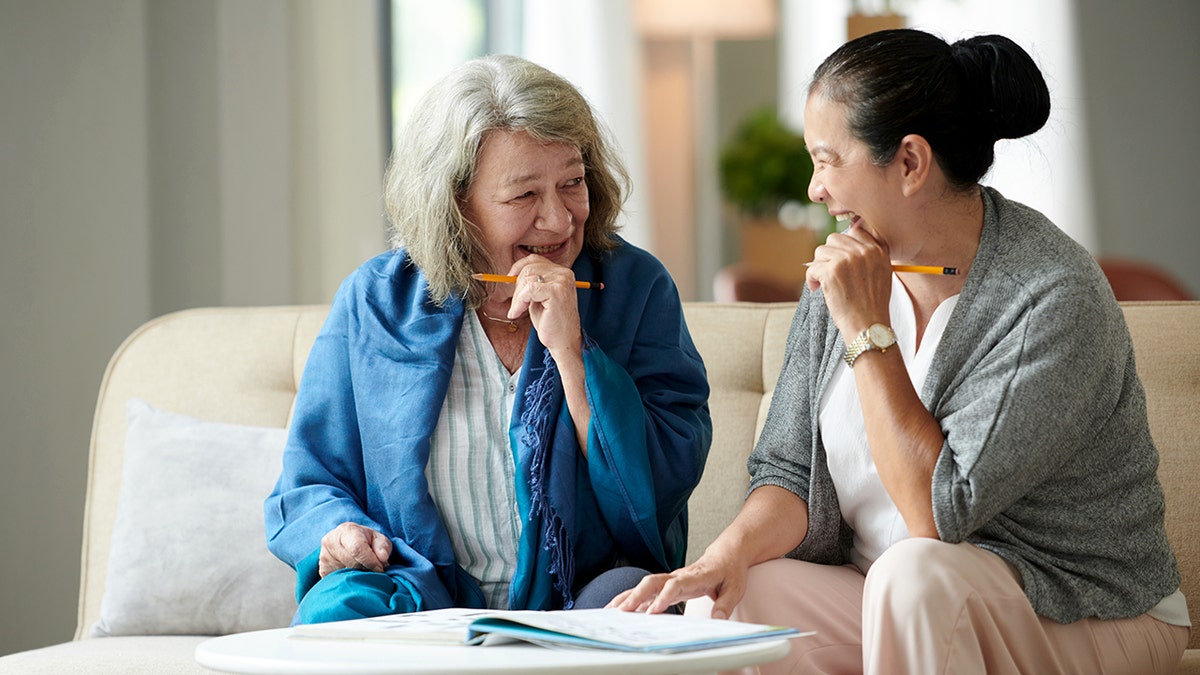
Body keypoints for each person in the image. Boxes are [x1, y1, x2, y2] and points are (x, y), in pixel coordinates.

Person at [611, 28, 1190, 674]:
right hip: (902, 595)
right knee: (739, 601)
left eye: (827, 160)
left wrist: (865, 328)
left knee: (912, 576)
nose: (813, 188)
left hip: (1081, 608)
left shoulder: (1047, 297)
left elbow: (938, 512)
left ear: (910, 162)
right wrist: (724, 556)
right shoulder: (846, 266)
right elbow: (787, 473)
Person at [265, 54, 711, 624]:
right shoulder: (376, 301)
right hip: (416, 588)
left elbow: (663, 481)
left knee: (635, 607)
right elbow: (309, 481)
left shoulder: (635, 287)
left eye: (572, 183)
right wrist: (337, 535)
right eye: (524, 196)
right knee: (340, 609)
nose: (558, 220)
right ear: (455, 204)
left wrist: (573, 355)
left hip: (586, 590)